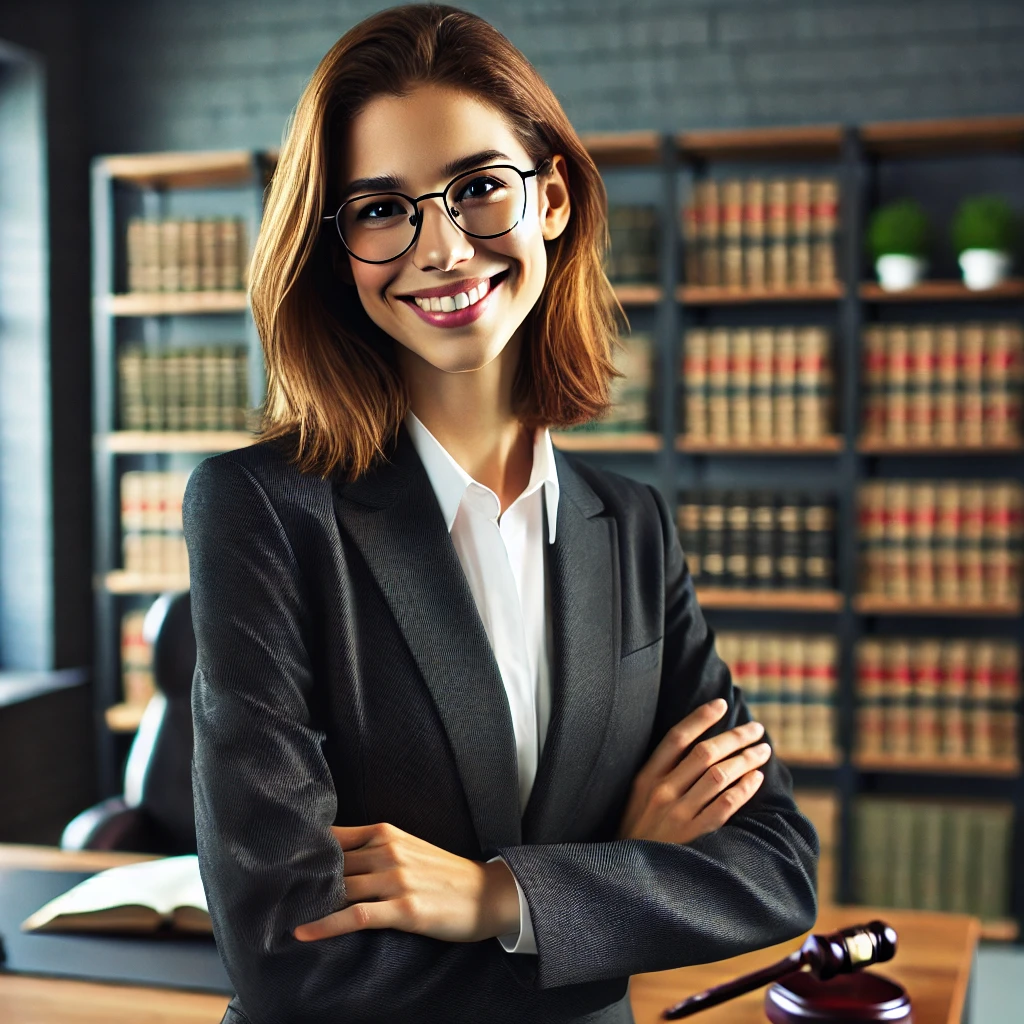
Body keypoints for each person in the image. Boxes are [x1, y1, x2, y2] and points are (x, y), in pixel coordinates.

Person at [182, 6, 819, 1023]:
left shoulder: (634, 525)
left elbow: (776, 868)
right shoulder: (262, 510)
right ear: (336, 245)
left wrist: (498, 897)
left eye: (478, 188)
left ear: (551, 198)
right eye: (381, 210)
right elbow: (286, 955)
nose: (441, 248)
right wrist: (622, 880)